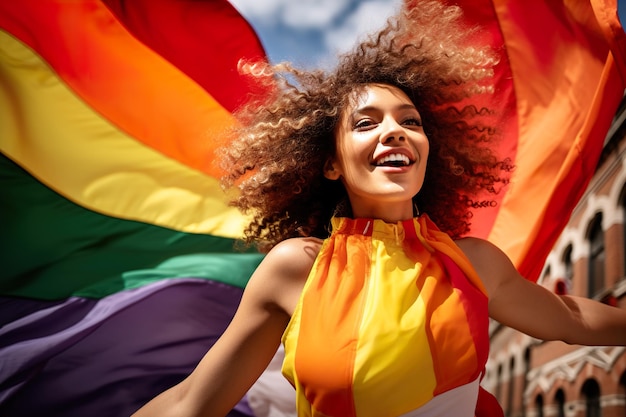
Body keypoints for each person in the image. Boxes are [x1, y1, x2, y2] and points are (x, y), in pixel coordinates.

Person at [133, 1, 626, 416]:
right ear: (329, 164)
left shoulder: (474, 262)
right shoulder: (294, 268)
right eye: (365, 123)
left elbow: (569, 319)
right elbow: (192, 404)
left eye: (410, 121)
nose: (395, 131)